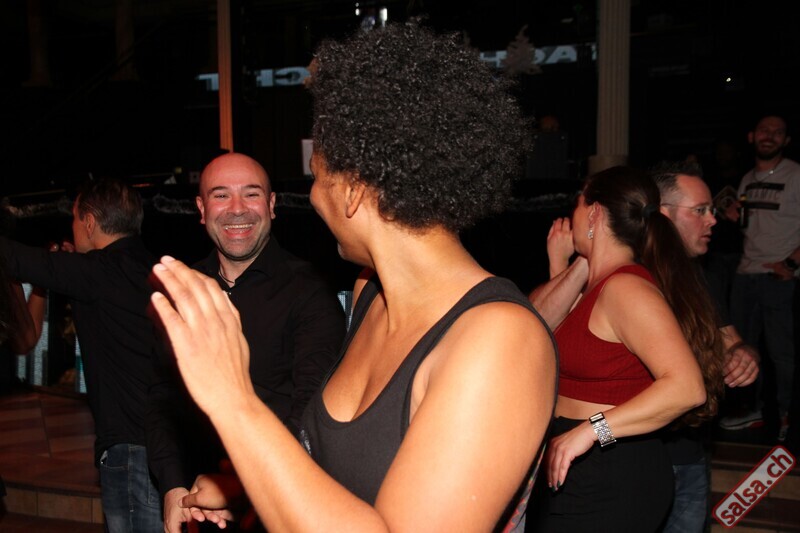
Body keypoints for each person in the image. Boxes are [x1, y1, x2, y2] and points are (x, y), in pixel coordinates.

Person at [148, 21, 557, 532]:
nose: (313, 197)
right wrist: (250, 485)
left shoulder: (499, 339)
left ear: (355, 190)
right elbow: (336, 474)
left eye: (318, 177)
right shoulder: (370, 296)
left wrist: (234, 401)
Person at [147, 152, 347, 532]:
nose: (237, 209)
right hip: (196, 502)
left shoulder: (309, 293)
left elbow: (312, 414)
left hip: (279, 507)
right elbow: (162, 396)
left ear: (271, 206)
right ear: (201, 209)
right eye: (221, 195)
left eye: (251, 194)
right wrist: (172, 486)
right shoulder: (185, 290)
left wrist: (240, 488)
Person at [527, 166, 723, 532]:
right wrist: (582, 260)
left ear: (595, 212)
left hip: (612, 467)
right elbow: (534, 323)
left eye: (577, 204)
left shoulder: (626, 289)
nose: (571, 215)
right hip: (578, 462)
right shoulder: (596, 285)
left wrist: (592, 430)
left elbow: (687, 388)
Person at [0, 178, 163, 532]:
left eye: (74, 219)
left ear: (89, 222)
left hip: (131, 450)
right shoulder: (153, 268)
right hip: (163, 445)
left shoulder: (97, 273)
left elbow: (10, 257)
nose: (72, 228)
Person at [651, 160, 759, 532]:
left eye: (711, 210)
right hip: (639, 457)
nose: (713, 220)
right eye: (700, 211)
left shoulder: (702, 277)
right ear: (663, 215)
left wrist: (744, 356)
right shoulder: (629, 278)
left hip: (691, 454)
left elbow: (733, 342)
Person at [719, 113, 800, 442]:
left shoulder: (795, 174)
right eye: (765, 130)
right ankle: (750, 410)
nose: (770, 136)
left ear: (786, 140)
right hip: (745, 275)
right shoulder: (747, 179)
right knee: (741, 349)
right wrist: (735, 218)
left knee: (782, 354)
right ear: (752, 136)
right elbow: (754, 227)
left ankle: (786, 416)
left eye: (778, 132)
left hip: (777, 277)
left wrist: (791, 264)